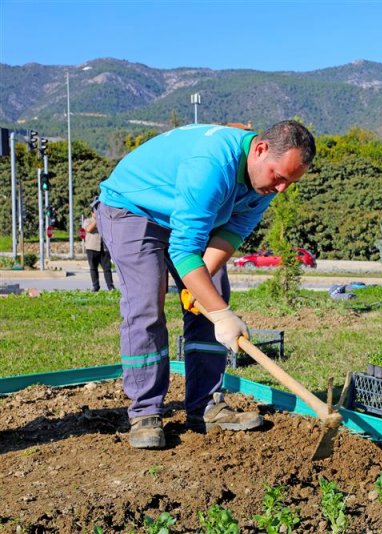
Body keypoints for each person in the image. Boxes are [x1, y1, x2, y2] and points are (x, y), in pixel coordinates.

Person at [96, 120, 316, 449]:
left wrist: (202, 294)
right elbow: (184, 251)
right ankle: (145, 411)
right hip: (132, 209)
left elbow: (230, 234)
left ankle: (206, 405)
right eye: (279, 176)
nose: (282, 188)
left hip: (180, 216)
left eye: (290, 182)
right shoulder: (212, 167)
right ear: (260, 149)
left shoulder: (265, 183)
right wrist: (222, 313)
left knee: (211, 293)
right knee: (147, 303)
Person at [82, 210, 115, 291]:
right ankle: (96, 287)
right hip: (92, 247)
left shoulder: (105, 221)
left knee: (107, 268)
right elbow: (89, 229)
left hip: (104, 248)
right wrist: (97, 220)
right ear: (92, 213)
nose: (96, 213)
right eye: (94, 212)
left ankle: (111, 287)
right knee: (93, 268)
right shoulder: (87, 221)